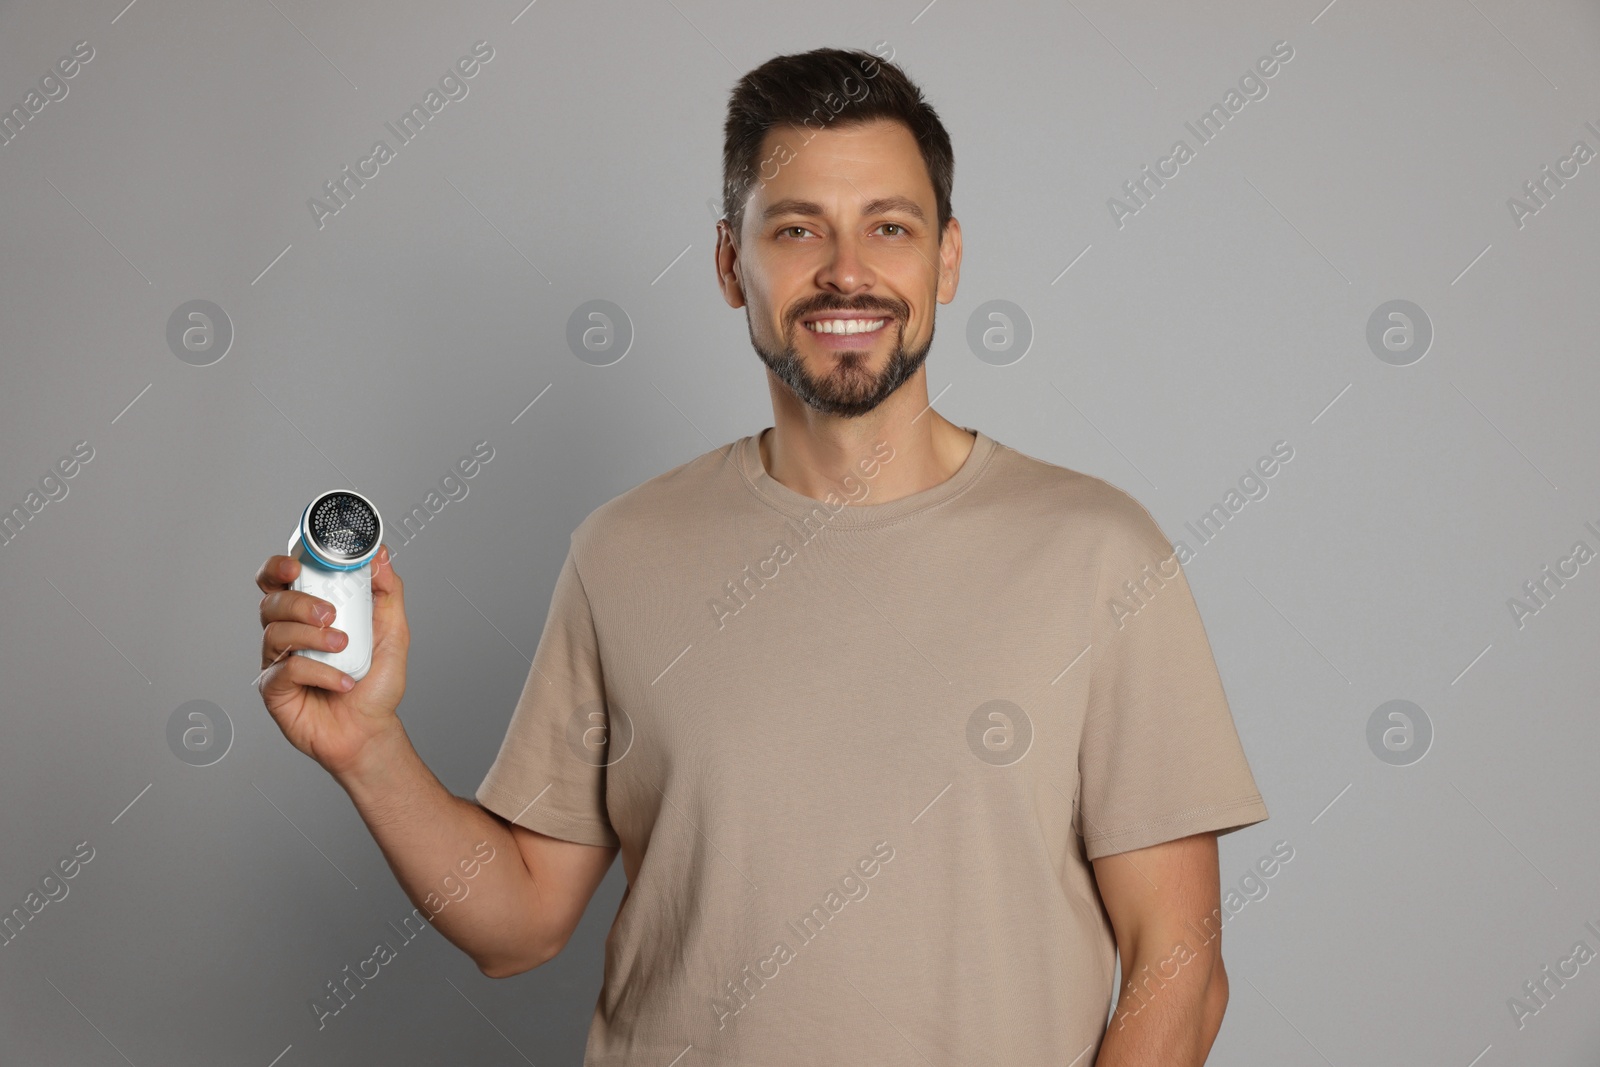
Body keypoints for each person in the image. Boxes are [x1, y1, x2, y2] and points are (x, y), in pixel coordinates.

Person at [254, 46, 1269, 1067]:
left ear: (946, 259)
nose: (846, 271)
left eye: (889, 227)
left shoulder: (1099, 555)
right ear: (730, 264)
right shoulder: (621, 552)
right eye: (797, 230)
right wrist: (367, 748)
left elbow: (1177, 963)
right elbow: (519, 925)